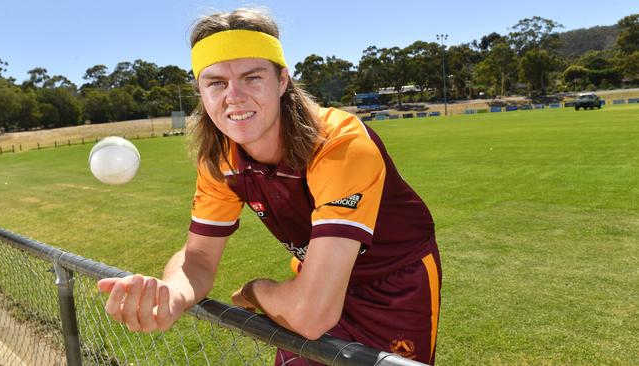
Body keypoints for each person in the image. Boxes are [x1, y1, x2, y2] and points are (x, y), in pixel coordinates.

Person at [98, 8, 442, 365]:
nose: (234, 96)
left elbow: (312, 315)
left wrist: (255, 291)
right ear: (200, 92)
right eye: (216, 82)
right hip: (313, 282)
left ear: (282, 81)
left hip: (392, 285)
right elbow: (198, 256)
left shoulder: (339, 143)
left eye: (252, 77)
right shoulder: (220, 159)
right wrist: (173, 292)